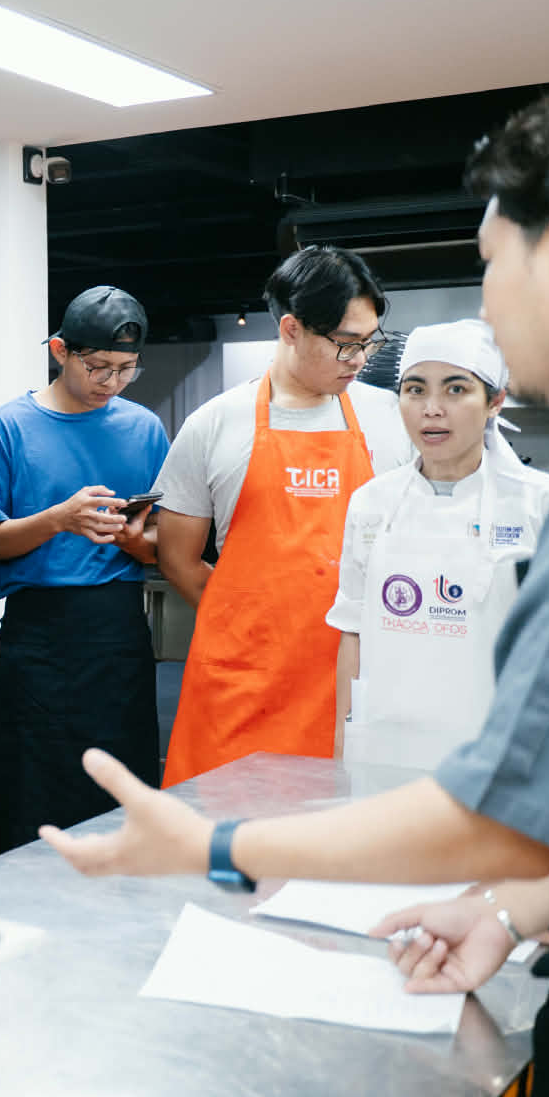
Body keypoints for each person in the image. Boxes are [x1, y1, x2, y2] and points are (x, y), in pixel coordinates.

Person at [42, 83, 549, 1097]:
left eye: (489, 267)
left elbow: (504, 814)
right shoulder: (226, 425)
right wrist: (524, 913)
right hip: (251, 690)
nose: (485, 310)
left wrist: (213, 848)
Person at [154, 247, 413, 785]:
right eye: (346, 343)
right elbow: (177, 559)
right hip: (242, 687)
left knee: (342, 826)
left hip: (353, 683)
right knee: (225, 827)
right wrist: (250, 626)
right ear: (291, 329)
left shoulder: (391, 419)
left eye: (371, 342)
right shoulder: (214, 425)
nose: (360, 359)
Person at [0, 286, 170, 858]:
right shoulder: (6, 428)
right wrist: (58, 520)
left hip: (119, 637)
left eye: (126, 369)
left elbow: (161, 543)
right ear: (60, 350)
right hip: (40, 641)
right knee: (27, 797)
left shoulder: (144, 429)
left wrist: (135, 539)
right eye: (98, 367)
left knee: (121, 800)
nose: (112, 382)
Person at [328, 319, 549, 769]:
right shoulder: (372, 503)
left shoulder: (542, 504)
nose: (431, 410)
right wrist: (344, 743)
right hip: (385, 746)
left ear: (495, 401)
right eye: (415, 390)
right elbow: (352, 631)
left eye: (456, 389)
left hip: (495, 750)